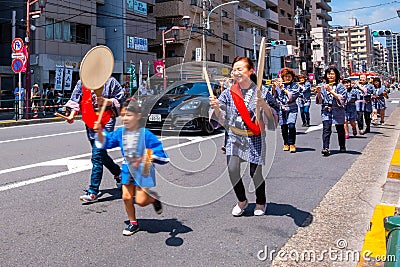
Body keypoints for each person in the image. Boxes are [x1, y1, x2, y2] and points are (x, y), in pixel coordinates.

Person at [209, 57, 279, 217]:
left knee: (255, 173)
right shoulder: (228, 92)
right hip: (234, 137)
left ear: (251, 71)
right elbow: (220, 116)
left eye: (240, 69)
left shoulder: (262, 92)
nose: (236, 72)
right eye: (234, 69)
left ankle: (261, 202)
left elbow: (274, 114)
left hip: (254, 136)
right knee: (233, 170)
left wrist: (264, 106)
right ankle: (242, 201)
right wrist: (216, 108)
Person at [93, 98, 169, 236]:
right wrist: (99, 132)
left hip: (144, 168)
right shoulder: (120, 133)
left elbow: (161, 153)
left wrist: (151, 156)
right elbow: (107, 142)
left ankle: (152, 199)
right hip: (127, 167)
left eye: (129, 115)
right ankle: (133, 222)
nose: (125, 119)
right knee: (126, 197)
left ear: (138, 116)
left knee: (141, 200)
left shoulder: (146, 134)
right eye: (122, 115)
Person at [63, 77, 124, 203]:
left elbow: (120, 97)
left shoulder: (110, 81)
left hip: (106, 119)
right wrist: (71, 116)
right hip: (90, 120)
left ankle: (93, 191)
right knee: (101, 155)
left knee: (96, 156)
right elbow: (75, 100)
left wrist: (108, 102)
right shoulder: (83, 82)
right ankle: (119, 173)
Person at [315, 67, 347, 156]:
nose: (330, 76)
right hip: (326, 110)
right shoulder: (322, 85)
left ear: (336, 75)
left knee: (340, 128)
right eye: (329, 74)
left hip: (337, 109)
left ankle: (342, 145)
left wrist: (331, 91)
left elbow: (342, 99)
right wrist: (318, 92)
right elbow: (319, 100)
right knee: (326, 128)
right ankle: (325, 147)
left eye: (332, 74)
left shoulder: (340, 86)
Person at [272, 68, 300, 153]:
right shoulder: (278, 85)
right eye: (285, 76)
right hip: (281, 108)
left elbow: (292, 96)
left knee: (291, 125)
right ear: (282, 77)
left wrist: (283, 89)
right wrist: (274, 88)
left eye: (289, 76)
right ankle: (286, 143)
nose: (287, 78)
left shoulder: (295, 85)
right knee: (284, 127)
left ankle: (292, 143)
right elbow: (274, 97)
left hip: (291, 108)